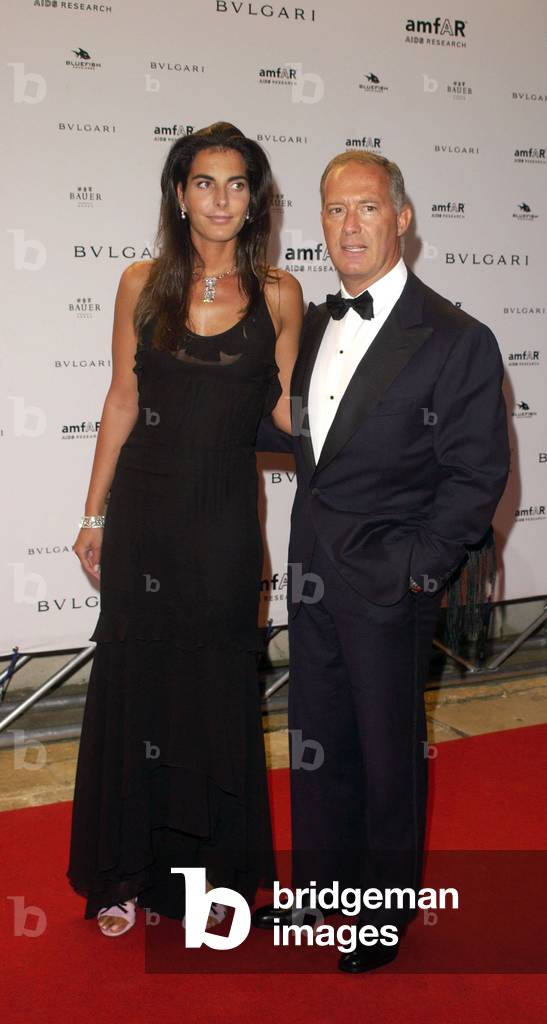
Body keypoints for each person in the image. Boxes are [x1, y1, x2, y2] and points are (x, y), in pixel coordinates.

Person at [253, 151, 509, 971]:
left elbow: (476, 476)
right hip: (312, 570)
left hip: (389, 582)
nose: (349, 225)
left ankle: (382, 911)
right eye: (334, 210)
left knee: (387, 751)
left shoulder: (456, 339)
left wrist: (413, 570)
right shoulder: (313, 325)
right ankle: (323, 889)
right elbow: (301, 438)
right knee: (316, 737)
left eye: (365, 207)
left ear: (401, 218)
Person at [67, 122, 302, 936]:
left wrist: (373, 419)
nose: (221, 199)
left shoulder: (279, 294)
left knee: (214, 691)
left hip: (226, 524)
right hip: (144, 518)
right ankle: (124, 876)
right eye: (205, 182)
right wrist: (93, 513)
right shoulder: (140, 283)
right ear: (179, 194)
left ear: (255, 199)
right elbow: (122, 400)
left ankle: (203, 884)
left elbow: (288, 413)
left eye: (236, 184)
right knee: (138, 689)